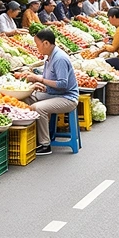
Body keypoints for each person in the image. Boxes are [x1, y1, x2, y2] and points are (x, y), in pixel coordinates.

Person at [14, 27, 79, 155]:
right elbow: (50, 80)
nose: (37, 47)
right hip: (54, 93)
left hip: (67, 98)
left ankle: (45, 144)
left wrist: (41, 80)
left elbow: (63, 84)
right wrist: (39, 83)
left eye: (37, 45)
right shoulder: (49, 57)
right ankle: (34, 136)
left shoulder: (59, 58)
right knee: (26, 98)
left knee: (38, 108)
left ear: (46, 43)